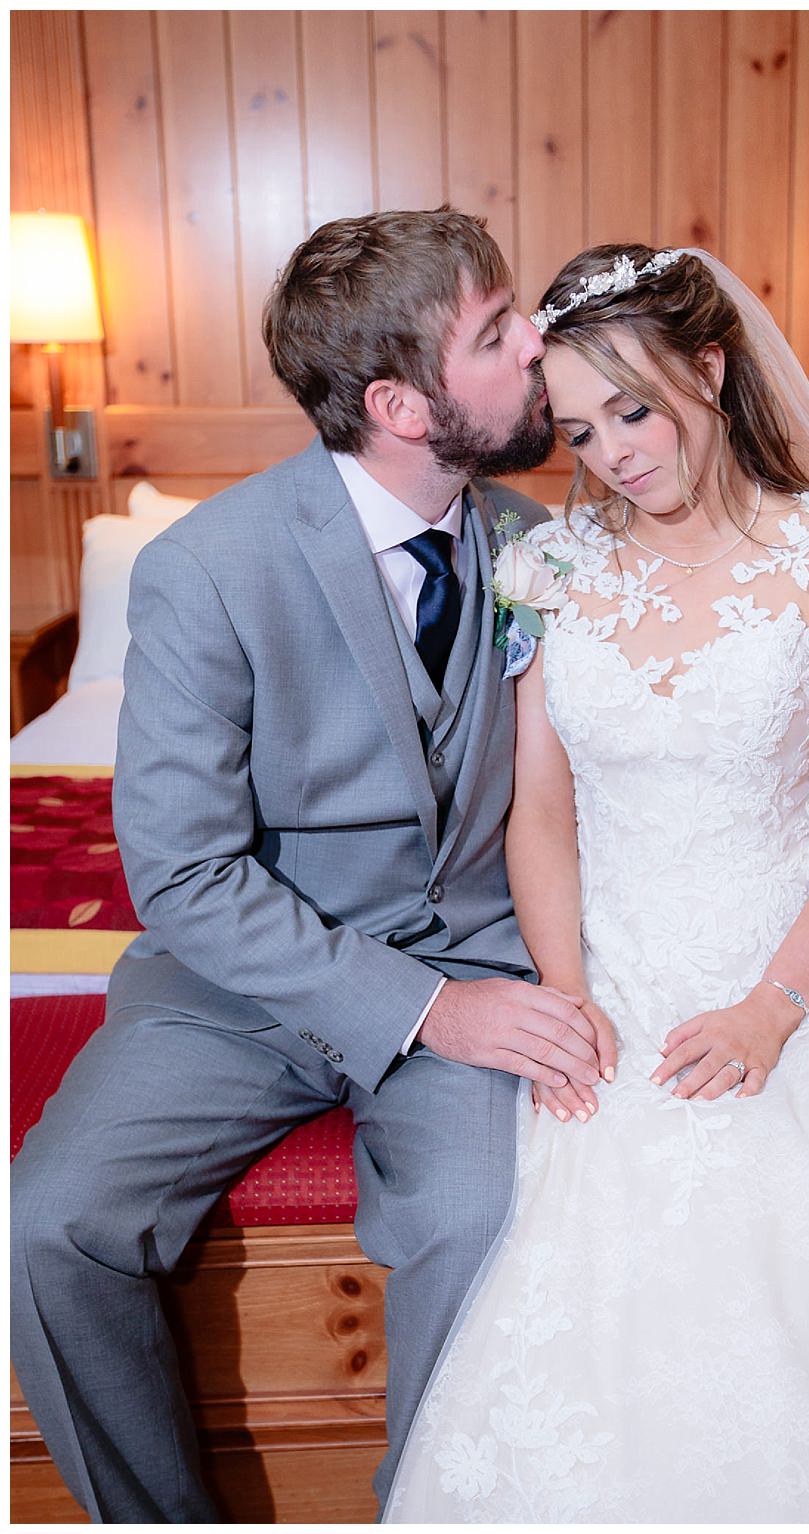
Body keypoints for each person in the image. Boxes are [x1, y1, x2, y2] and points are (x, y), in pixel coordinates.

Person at [381, 244, 809, 1522]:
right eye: (577, 428)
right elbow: (543, 814)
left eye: (632, 409)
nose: (612, 451)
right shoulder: (552, 572)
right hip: (611, 952)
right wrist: (566, 996)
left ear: (711, 371)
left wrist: (768, 1010)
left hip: (804, 957)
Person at [10, 207, 599, 1519]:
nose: (539, 343)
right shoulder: (205, 571)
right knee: (42, 1227)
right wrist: (429, 1006)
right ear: (400, 403)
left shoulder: (537, 546)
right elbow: (184, 876)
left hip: (475, 962)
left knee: (487, 1224)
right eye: (498, 333)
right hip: (239, 988)